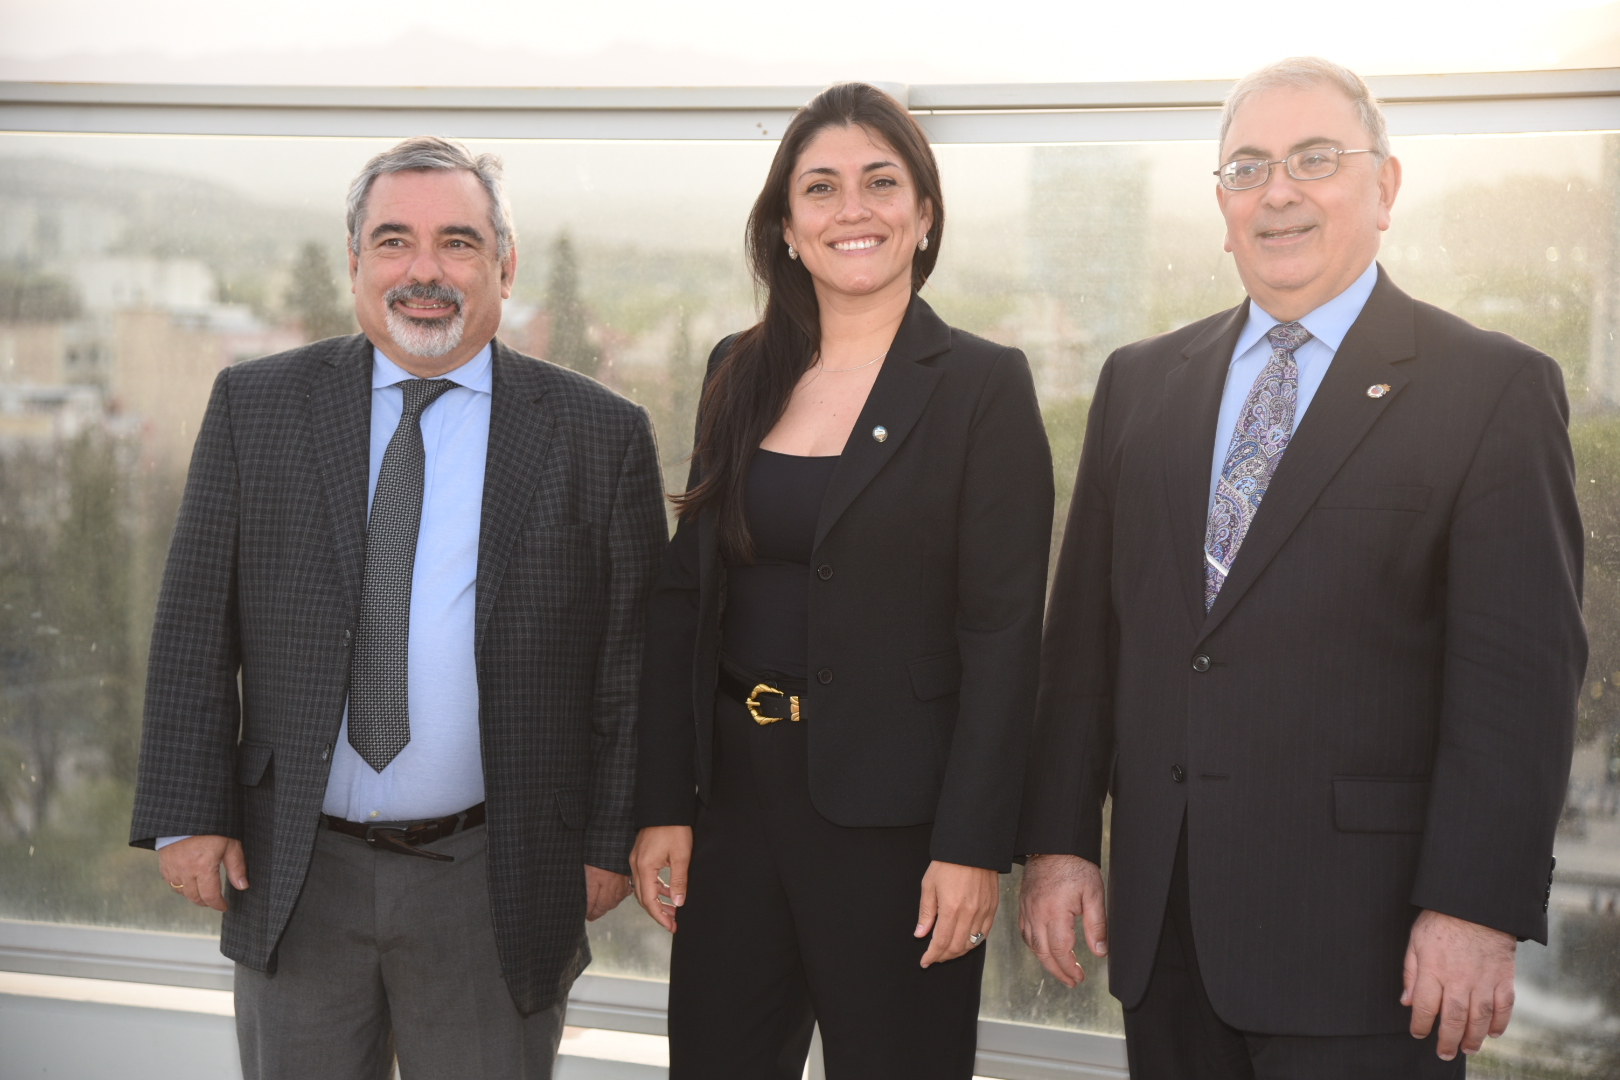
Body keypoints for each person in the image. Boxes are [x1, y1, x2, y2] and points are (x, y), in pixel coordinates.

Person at [1016, 57, 1585, 1078]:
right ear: (1222, 206)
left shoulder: (1491, 389)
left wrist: (1474, 908)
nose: (1278, 191)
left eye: (1315, 159)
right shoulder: (1138, 383)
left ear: (1386, 186)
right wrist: (1059, 844)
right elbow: (1085, 651)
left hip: (1369, 951)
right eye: (1248, 167)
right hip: (1168, 937)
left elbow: (1519, 679)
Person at [128, 135, 667, 1080]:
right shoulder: (257, 406)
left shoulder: (600, 435)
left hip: (495, 877)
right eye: (393, 241)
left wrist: (609, 840)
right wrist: (187, 812)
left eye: (458, 242)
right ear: (354, 261)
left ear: (505, 265)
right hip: (295, 868)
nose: (425, 271)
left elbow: (632, 665)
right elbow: (194, 623)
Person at [630, 82, 1053, 1079]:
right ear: (786, 225)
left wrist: (972, 847)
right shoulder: (738, 369)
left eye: (880, 182)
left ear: (925, 213)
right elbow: (687, 599)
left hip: (900, 830)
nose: (851, 209)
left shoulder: (983, 386)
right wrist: (663, 804)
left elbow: (1003, 638)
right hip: (735, 813)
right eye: (820, 187)